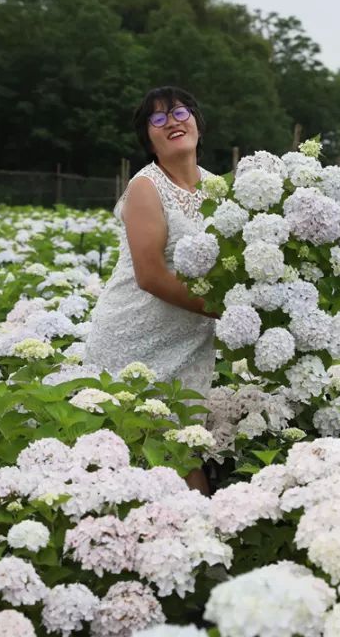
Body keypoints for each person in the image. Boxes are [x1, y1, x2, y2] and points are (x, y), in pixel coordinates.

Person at [83, 87, 218, 488]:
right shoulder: (146, 187)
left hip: (188, 345)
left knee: (182, 452)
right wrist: (223, 308)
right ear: (149, 137)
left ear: (196, 120)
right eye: (158, 119)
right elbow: (151, 275)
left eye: (180, 112)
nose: (173, 121)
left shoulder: (219, 189)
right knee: (134, 458)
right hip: (133, 340)